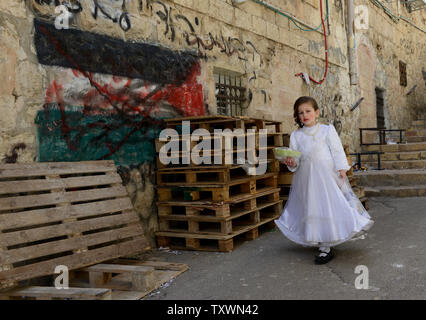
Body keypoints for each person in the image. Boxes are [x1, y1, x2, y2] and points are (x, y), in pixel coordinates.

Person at [274, 96, 374, 264]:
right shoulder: (296, 136)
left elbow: (336, 150)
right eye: (300, 113)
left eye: (308, 111)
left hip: (326, 174)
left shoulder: (326, 130)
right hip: (306, 177)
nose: (304, 115)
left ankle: (327, 244)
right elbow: (295, 159)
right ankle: (319, 240)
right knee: (311, 206)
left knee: (328, 205)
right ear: (297, 116)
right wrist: (291, 162)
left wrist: (342, 169)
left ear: (316, 112)